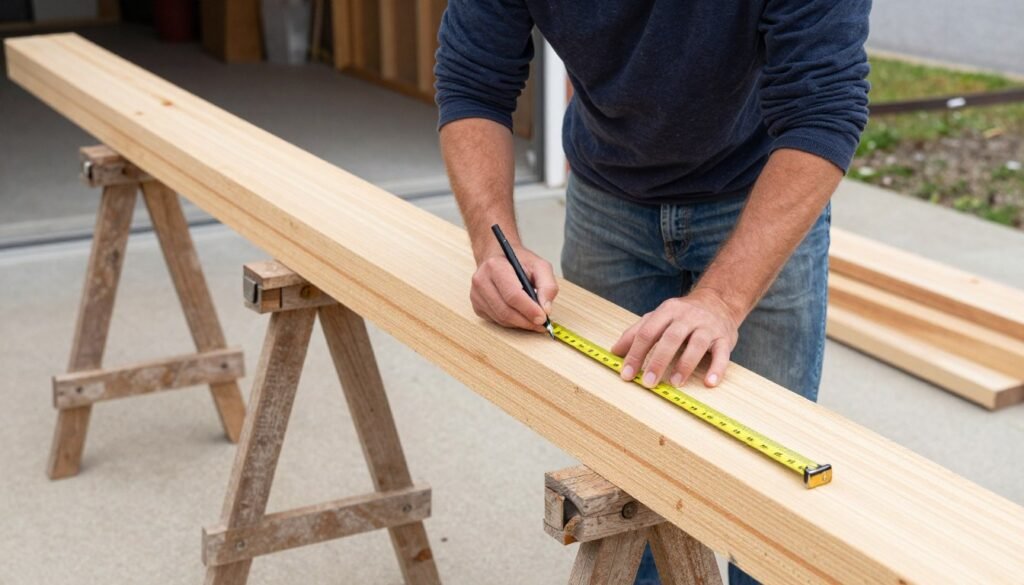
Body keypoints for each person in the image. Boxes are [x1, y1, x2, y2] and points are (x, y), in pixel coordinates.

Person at [434, 1, 870, 583]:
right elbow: (473, 79)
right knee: (627, 468)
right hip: (607, 191)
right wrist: (495, 246)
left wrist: (722, 299)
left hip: (759, 188)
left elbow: (824, 108)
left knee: (768, 492)